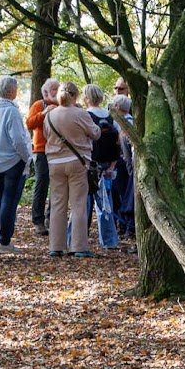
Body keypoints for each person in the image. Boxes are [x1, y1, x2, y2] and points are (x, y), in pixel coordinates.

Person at [43, 81, 102, 257]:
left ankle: (56, 246)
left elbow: (46, 135)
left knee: (57, 204)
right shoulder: (80, 114)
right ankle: (78, 246)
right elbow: (95, 133)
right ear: (75, 96)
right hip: (78, 162)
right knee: (78, 204)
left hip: (54, 162)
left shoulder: (50, 116)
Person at [0, 76, 33, 252]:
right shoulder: (12, 111)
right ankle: (4, 241)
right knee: (8, 201)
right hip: (12, 161)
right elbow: (18, 139)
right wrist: (26, 158)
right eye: (16, 89)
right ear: (10, 91)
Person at [81, 84, 121, 252]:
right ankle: (109, 240)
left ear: (86, 98)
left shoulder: (85, 116)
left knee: (83, 203)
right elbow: (118, 142)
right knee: (105, 204)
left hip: (90, 165)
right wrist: (113, 164)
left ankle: (78, 238)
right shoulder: (112, 117)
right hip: (108, 166)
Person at [25, 78, 59, 235]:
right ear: (46, 92)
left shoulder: (62, 105)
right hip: (41, 150)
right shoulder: (39, 105)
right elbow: (30, 123)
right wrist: (44, 113)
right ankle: (38, 220)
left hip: (59, 150)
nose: (57, 91)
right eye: (54, 89)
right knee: (41, 184)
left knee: (57, 185)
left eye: (58, 88)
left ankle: (52, 217)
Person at [110, 93, 136, 240]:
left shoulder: (125, 125)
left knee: (123, 195)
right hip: (127, 165)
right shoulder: (132, 122)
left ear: (118, 107)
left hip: (124, 164)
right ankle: (124, 226)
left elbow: (125, 148)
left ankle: (126, 226)